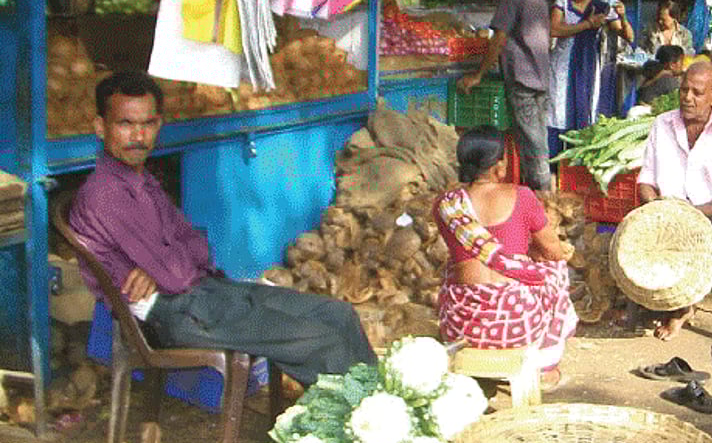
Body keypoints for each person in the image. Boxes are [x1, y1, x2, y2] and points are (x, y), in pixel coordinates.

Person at [69, 72, 376, 386]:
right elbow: (176, 275)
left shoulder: (141, 181)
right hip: (174, 315)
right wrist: (167, 263)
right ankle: (362, 422)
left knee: (338, 315)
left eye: (146, 124)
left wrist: (158, 266)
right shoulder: (106, 195)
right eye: (125, 124)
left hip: (206, 294)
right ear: (100, 127)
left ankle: (382, 407)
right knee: (323, 343)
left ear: (158, 125)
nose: (138, 136)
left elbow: (198, 245)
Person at [433, 126, 577, 384]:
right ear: (499, 166)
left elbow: (469, 252)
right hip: (517, 326)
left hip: (464, 328)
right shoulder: (522, 196)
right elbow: (555, 253)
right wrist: (527, 253)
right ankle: (546, 367)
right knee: (556, 272)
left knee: (451, 270)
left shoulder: (447, 204)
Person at [636, 61, 712, 340]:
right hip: (669, 210)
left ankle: (682, 309)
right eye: (684, 90)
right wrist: (654, 204)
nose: (688, 97)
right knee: (634, 235)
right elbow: (646, 179)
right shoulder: (662, 124)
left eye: (697, 93)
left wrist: (692, 213)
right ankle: (655, 300)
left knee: (691, 238)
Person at [459, 0, 554, 191]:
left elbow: (499, 39)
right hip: (541, 78)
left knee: (533, 145)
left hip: (522, 79)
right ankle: (537, 192)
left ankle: (544, 197)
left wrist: (479, 74)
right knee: (537, 141)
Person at [548, 0, 635, 138]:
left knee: (585, 106)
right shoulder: (563, 2)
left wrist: (624, 16)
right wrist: (587, 24)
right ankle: (555, 159)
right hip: (562, 65)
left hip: (587, 66)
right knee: (559, 109)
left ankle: (575, 160)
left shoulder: (603, 8)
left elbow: (629, 36)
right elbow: (554, 30)